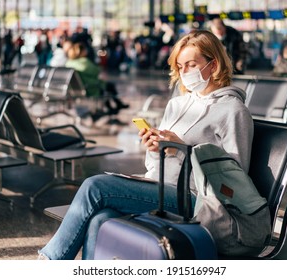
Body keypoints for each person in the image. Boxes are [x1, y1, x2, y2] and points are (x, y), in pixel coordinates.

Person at [38, 30, 270, 260]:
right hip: (159, 186)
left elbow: (232, 181)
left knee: (95, 187)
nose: (184, 72)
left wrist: (182, 151)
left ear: (214, 64)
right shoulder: (177, 105)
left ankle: (49, 262)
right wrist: (155, 149)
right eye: (180, 67)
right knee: (101, 218)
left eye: (191, 64)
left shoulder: (232, 110)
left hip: (197, 199)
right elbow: (155, 164)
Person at [65, 42, 129, 120]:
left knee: (106, 87)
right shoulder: (84, 61)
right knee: (109, 86)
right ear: (80, 51)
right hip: (90, 88)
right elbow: (96, 71)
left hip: (76, 89)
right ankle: (117, 104)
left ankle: (113, 106)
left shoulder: (69, 63)